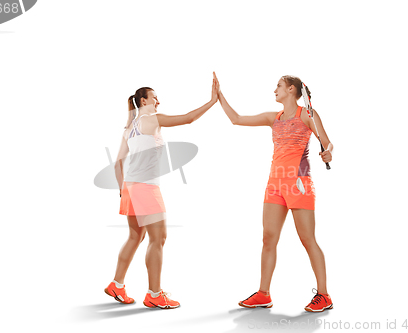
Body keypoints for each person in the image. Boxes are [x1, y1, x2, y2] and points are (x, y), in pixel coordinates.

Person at [215, 73, 334, 312]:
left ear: (291, 89)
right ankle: (263, 293)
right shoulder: (274, 118)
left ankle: (324, 295)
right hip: (275, 185)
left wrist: (328, 152)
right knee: (268, 238)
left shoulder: (307, 115)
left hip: (298, 183)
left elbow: (327, 142)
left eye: (278, 86)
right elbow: (236, 119)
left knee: (307, 240)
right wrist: (219, 96)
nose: (274, 90)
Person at [104, 73, 219, 309]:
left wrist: (121, 190)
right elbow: (188, 119)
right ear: (144, 101)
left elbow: (118, 163)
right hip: (146, 187)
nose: (158, 101)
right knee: (158, 239)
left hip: (130, 187)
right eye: (155, 98)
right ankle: (154, 294)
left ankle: (117, 284)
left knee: (136, 237)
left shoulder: (129, 128)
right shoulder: (152, 120)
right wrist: (212, 101)